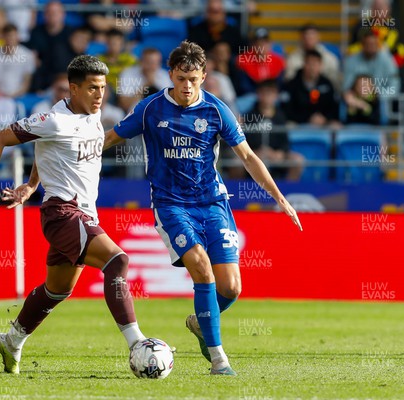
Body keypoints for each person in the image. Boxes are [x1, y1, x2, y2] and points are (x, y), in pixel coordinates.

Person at [103, 41, 302, 375]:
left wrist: (280, 198)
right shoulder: (151, 109)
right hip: (171, 204)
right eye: (181, 78)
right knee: (201, 267)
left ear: (204, 76)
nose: (187, 86)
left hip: (213, 203)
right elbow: (111, 138)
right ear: (171, 75)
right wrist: (78, 151)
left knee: (231, 288)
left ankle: (200, 323)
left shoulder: (216, 110)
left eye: (193, 79)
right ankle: (219, 359)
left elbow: (249, 157)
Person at [0, 55, 146, 374]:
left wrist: (30, 185)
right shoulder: (53, 120)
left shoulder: (94, 116)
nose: (100, 95)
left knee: (57, 289)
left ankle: (11, 340)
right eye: (93, 88)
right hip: (63, 213)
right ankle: (138, 344)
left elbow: (49, 150)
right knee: (117, 261)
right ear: (74, 88)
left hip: (85, 215)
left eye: (103, 88)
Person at [240, 79, 304, 181]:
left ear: (276, 96)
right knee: (235, 162)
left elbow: (284, 140)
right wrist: (256, 151)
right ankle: (237, 191)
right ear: (258, 94)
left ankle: (286, 192)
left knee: (298, 160)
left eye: (270, 93)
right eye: (264, 92)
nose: (267, 96)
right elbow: (244, 140)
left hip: (276, 155)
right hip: (254, 154)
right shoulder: (249, 116)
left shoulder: (280, 116)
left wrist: (281, 152)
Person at [284, 49, 340, 127]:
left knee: (336, 126)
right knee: (288, 126)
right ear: (304, 64)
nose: (312, 67)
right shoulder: (292, 84)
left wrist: (325, 118)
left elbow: (334, 107)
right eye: (309, 63)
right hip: (298, 123)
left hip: (323, 122)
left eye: (315, 64)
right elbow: (287, 110)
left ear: (321, 65)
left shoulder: (327, 84)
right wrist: (308, 118)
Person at [284, 23, 341, 90]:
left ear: (318, 37)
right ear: (301, 38)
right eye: (306, 37)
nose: (309, 40)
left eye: (312, 37)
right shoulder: (292, 59)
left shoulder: (330, 58)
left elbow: (335, 81)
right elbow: (289, 80)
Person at [0, 24, 35, 98]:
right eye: (7, 36)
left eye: (12, 36)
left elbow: (26, 81)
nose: (10, 40)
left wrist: (14, 96)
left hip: (19, 97)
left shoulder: (27, 55)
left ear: (18, 37)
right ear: (2, 37)